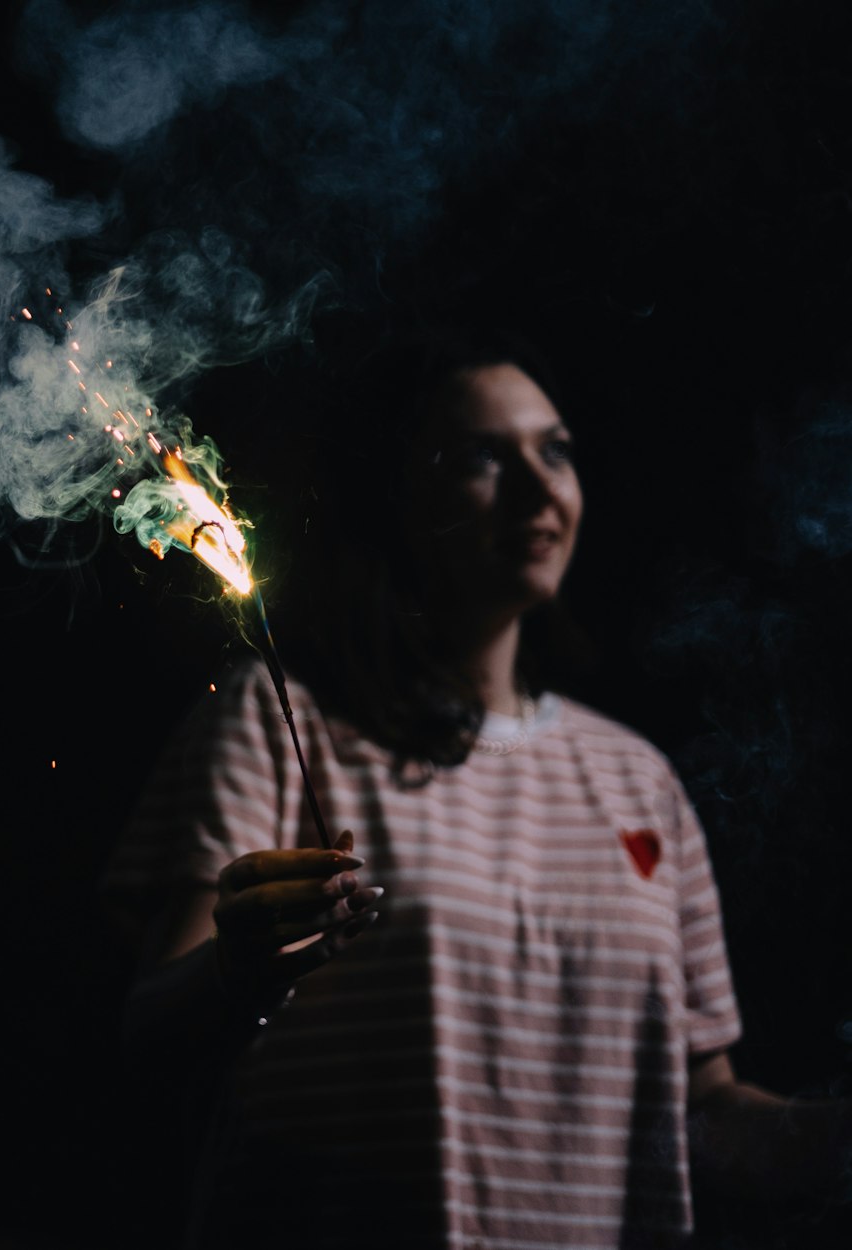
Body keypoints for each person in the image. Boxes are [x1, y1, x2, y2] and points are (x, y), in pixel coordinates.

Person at [102, 321, 850, 1250]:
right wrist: (235, 970)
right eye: (483, 458)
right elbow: (148, 1035)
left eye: (557, 452)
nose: (540, 489)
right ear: (401, 498)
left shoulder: (640, 780)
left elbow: (695, 1114)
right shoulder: (277, 718)